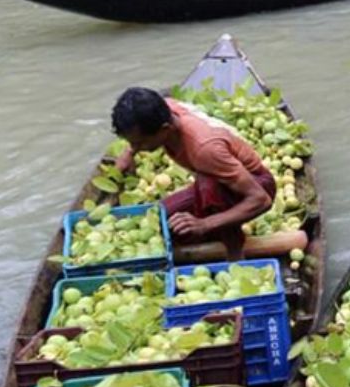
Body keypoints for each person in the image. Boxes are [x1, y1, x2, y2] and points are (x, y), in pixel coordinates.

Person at [111, 87, 275, 261]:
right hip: (220, 177)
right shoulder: (165, 109)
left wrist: (204, 224)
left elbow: (261, 199)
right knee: (158, 219)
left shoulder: (204, 149)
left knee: (206, 184)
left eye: (140, 143)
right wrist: (128, 153)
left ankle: (234, 252)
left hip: (255, 184)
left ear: (165, 130)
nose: (137, 147)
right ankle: (212, 229)